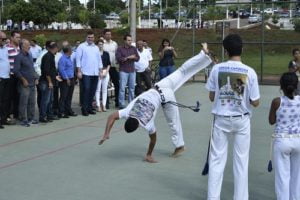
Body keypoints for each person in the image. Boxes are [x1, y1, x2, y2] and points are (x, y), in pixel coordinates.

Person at [99, 43, 213, 163]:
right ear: (128, 118)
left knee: (173, 121)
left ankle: (180, 146)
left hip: (165, 97)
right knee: (182, 71)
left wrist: (149, 154)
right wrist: (106, 133)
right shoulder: (128, 111)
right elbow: (112, 117)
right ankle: (203, 55)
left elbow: (153, 139)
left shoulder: (147, 124)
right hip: (161, 86)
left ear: (138, 126)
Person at [205, 34, 260, 200]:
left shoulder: (216, 69)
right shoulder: (250, 72)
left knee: (216, 161)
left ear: (225, 50)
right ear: (242, 49)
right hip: (242, 120)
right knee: (241, 162)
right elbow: (256, 102)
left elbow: (211, 97)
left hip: (221, 119)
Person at [268, 72, 300, 200]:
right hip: (298, 140)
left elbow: (271, 121)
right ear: (297, 85)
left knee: (282, 177)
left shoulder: (277, 101)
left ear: (281, 86)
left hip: (282, 141)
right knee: (297, 177)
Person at [76, 31, 103, 116]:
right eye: (89, 37)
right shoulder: (81, 47)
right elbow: (78, 60)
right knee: (86, 90)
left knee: (92, 91)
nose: (90, 39)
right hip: (86, 73)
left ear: (94, 38)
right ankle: (84, 109)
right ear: (86, 37)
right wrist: (79, 71)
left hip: (95, 73)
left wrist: (100, 70)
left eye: (92, 37)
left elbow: (99, 60)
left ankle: (89, 108)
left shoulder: (96, 47)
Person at [13, 39, 39, 127]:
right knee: (23, 102)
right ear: (22, 46)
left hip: (32, 83)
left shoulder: (30, 55)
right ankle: (23, 119)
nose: (29, 46)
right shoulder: (18, 57)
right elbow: (16, 71)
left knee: (32, 102)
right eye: (28, 45)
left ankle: (31, 118)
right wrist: (23, 80)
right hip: (24, 84)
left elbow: (32, 68)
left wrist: (36, 77)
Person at [116, 34, 140, 109]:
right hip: (123, 70)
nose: (130, 41)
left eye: (130, 40)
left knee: (132, 88)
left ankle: (131, 103)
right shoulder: (120, 49)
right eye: (128, 40)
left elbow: (137, 58)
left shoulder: (133, 48)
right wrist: (128, 57)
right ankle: (121, 104)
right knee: (122, 88)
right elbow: (119, 59)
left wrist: (134, 57)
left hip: (132, 70)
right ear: (125, 40)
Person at [39, 42, 59, 122]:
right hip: (46, 81)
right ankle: (43, 116)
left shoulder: (51, 56)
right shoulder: (47, 57)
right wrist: (50, 82)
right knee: (46, 100)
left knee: (50, 100)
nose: (57, 49)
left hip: (50, 80)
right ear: (53, 48)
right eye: (56, 48)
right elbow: (46, 71)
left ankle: (49, 115)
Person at [57, 46, 77, 118]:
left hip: (71, 78)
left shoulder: (69, 58)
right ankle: (61, 111)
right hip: (65, 80)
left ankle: (68, 110)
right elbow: (61, 69)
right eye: (71, 50)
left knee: (69, 96)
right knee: (64, 96)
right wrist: (66, 78)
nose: (72, 51)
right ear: (68, 51)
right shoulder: (63, 59)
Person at [6, 31, 21, 123]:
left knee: (18, 96)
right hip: (10, 76)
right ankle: (8, 114)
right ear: (12, 38)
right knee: (9, 96)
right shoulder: (7, 49)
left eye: (19, 37)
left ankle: (16, 114)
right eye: (17, 37)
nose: (19, 39)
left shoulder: (20, 49)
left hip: (19, 76)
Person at [103, 29, 119, 108]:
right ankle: (106, 103)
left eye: (110, 34)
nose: (108, 36)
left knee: (117, 84)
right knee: (105, 85)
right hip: (105, 68)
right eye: (107, 34)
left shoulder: (114, 44)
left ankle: (117, 101)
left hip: (113, 66)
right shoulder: (102, 44)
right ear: (104, 35)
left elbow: (117, 54)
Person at [95, 39, 111, 112]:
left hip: (105, 71)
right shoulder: (95, 53)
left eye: (102, 44)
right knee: (98, 89)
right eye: (99, 44)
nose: (100, 45)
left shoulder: (106, 53)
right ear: (97, 45)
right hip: (98, 72)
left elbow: (109, 64)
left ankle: (104, 105)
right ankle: (98, 105)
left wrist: (106, 72)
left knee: (104, 90)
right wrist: (100, 72)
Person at [0, 32, 10, 128]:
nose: (5, 41)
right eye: (3, 39)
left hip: (7, 77)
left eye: (5, 39)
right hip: (1, 78)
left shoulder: (5, 49)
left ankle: (3, 119)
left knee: (5, 100)